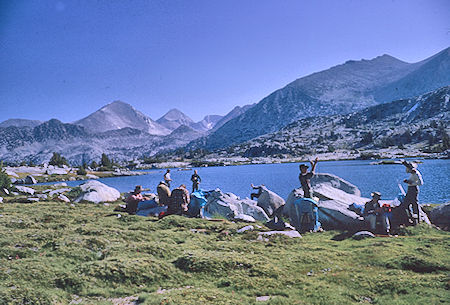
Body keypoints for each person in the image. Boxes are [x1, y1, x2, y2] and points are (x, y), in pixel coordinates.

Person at [401, 160, 423, 225]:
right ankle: (410, 218)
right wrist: (408, 181)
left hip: (414, 189)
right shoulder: (412, 173)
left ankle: (417, 220)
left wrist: (411, 182)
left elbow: (421, 183)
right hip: (410, 189)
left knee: (414, 205)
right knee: (405, 204)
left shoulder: (417, 174)